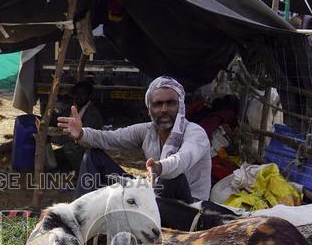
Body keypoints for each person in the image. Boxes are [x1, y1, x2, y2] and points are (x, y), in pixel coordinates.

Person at [59, 76, 211, 201]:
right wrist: (81, 133)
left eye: (170, 103)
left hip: (189, 205)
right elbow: (109, 138)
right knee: (93, 157)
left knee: (171, 177)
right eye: (158, 104)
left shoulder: (195, 132)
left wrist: (159, 167)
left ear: (180, 107)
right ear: (149, 110)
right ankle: (81, 215)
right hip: (154, 193)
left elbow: (182, 160)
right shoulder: (146, 130)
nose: (164, 109)